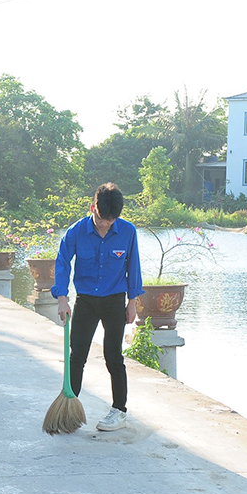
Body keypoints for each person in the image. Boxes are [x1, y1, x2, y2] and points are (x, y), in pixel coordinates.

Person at [52, 183, 143, 432]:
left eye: (111, 221)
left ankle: (119, 410)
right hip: (86, 301)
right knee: (77, 354)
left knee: (114, 356)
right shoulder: (77, 231)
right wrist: (62, 297)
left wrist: (132, 302)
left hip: (115, 300)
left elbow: (133, 266)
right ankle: (70, 405)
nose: (105, 225)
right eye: (102, 219)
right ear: (93, 208)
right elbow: (62, 261)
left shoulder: (127, 232)